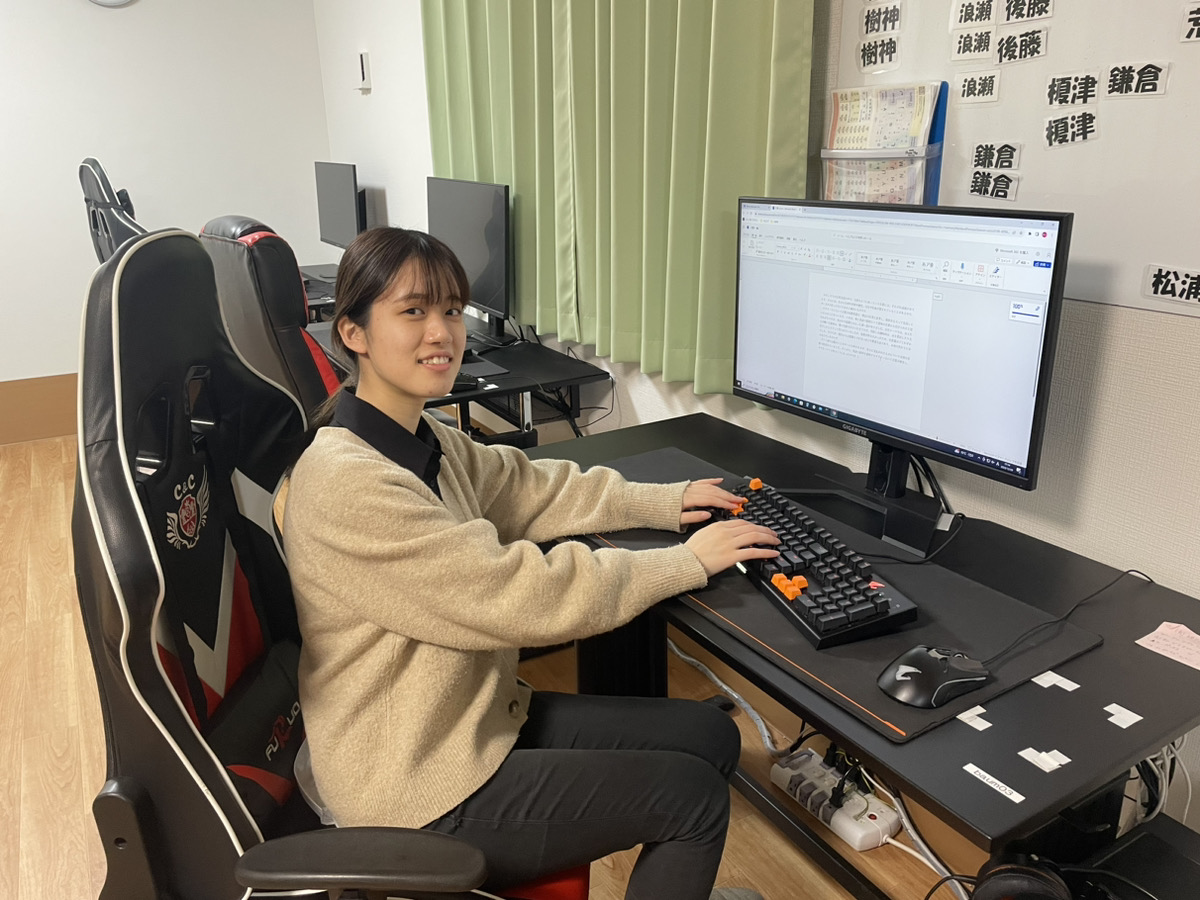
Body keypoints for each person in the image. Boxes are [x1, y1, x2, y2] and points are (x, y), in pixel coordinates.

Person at [282, 227, 781, 900]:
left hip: (471, 720)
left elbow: (528, 487)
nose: (442, 332)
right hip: (414, 783)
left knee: (708, 736)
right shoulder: (348, 482)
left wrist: (666, 501)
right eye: (413, 311)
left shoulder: (420, 437)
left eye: (451, 310)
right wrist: (685, 562)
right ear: (354, 333)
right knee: (691, 798)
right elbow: (516, 593)